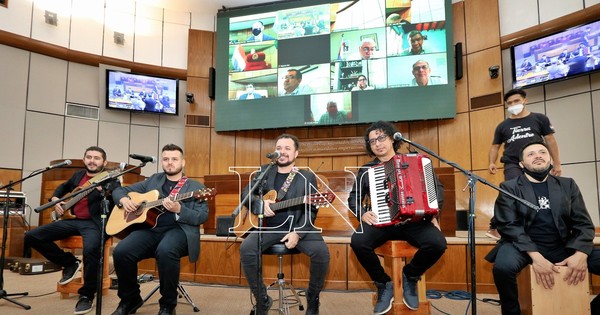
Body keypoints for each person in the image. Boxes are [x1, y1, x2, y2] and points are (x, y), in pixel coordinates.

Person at [484, 141, 600, 315]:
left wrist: (581, 254)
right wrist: (536, 257)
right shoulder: (509, 187)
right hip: (522, 246)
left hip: (562, 245)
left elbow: (583, 223)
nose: (538, 155)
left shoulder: (568, 185)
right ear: (522, 164)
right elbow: (509, 225)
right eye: (531, 154)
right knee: (503, 267)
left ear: (550, 159)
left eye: (542, 152)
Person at [348, 121, 447, 314]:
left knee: (438, 244)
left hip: (414, 221)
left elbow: (437, 189)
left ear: (393, 139)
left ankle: (410, 275)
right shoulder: (367, 170)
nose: (377, 143)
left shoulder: (415, 161)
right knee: (358, 242)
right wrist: (362, 213)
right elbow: (354, 198)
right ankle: (383, 283)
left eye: (381, 138)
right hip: (382, 222)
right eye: (372, 141)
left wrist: (435, 213)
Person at [110, 144, 209, 315]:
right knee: (121, 251)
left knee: (166, 250)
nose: (170, 163)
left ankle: (167, 305)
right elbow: (120, 190)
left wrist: (179, 209)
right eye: (166, 159)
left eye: (174, 159)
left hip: (180, 230)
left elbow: (202, 216)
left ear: (183, 162)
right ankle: (130, 299)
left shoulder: (195, 187)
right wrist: (124, 201)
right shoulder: (153, 180)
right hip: (150, 229)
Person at [239, 133, 330, 315]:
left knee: (322, 254)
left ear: (296, 154)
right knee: (246, 249)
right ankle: (262, 299)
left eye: (287, 148)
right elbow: (245, 195)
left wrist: (298, 233)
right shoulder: (264, 171)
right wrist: (260, 204)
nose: (282, 152)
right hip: (268, 226)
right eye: (279, 148)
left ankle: (313, 298)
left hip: (298, 225)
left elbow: (311, 210)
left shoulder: (306, 176)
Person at [24, 146, 121, 315]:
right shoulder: (78, 175)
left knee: (91, 250)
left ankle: (87, 295)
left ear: (104, 162)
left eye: (96, 158)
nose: (92, 160)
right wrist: (56, 199)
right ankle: (70, 262)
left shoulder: (111, 179)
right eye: (89, 157)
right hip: (76, 221)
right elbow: (63, 187)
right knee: (32, 236)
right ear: (84, 159)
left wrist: (105, 191)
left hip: (96, 223)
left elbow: (117, 197)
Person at [487, 88, 562, 240]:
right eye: (509, 103)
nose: (513, 104)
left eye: (516, 101)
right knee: (510, 192)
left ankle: (543, 227)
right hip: (512, 163)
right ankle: (495, 226)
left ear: (525, 101)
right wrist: (491, 162)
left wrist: (557, 163)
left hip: (536, 163)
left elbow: (550, 141)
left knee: (542, 192)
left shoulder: (540, 119)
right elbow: (495, 146)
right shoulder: (503, 126)